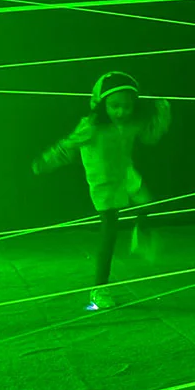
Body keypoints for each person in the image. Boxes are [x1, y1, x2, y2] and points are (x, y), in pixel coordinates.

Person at [32, 71, 171, 310]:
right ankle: (99, 289)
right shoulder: (91, 126)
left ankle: (142, 238)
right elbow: (68, 146)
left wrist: (163, 115)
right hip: (103, 183)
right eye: (115, 106)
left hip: (126, 175)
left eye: (126, 107)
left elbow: (149, 138)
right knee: (110, 232)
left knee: (147, 203)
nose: (121, 112)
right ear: (102, 103)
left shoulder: (132, 123)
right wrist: (47, 161)